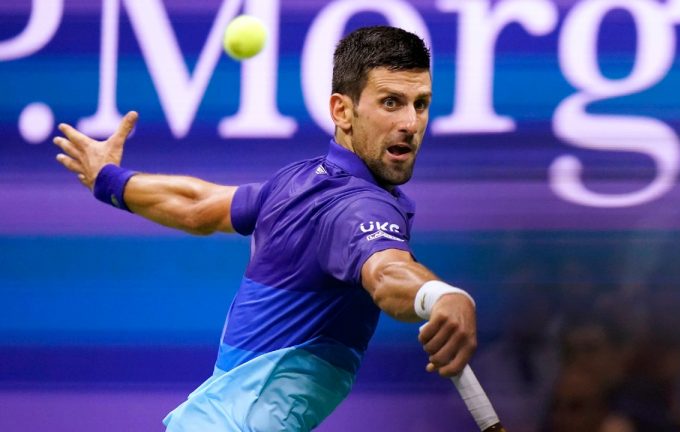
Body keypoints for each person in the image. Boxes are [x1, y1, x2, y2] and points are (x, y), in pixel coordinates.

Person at [53, 26, 477, 431]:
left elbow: (198, 204)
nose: (410, 122)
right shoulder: (357, 206)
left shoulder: (299, 182)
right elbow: (386, 272)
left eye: (420, 104)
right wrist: (439, 295)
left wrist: (108, 180)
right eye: (390, 102)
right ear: (341, 111)